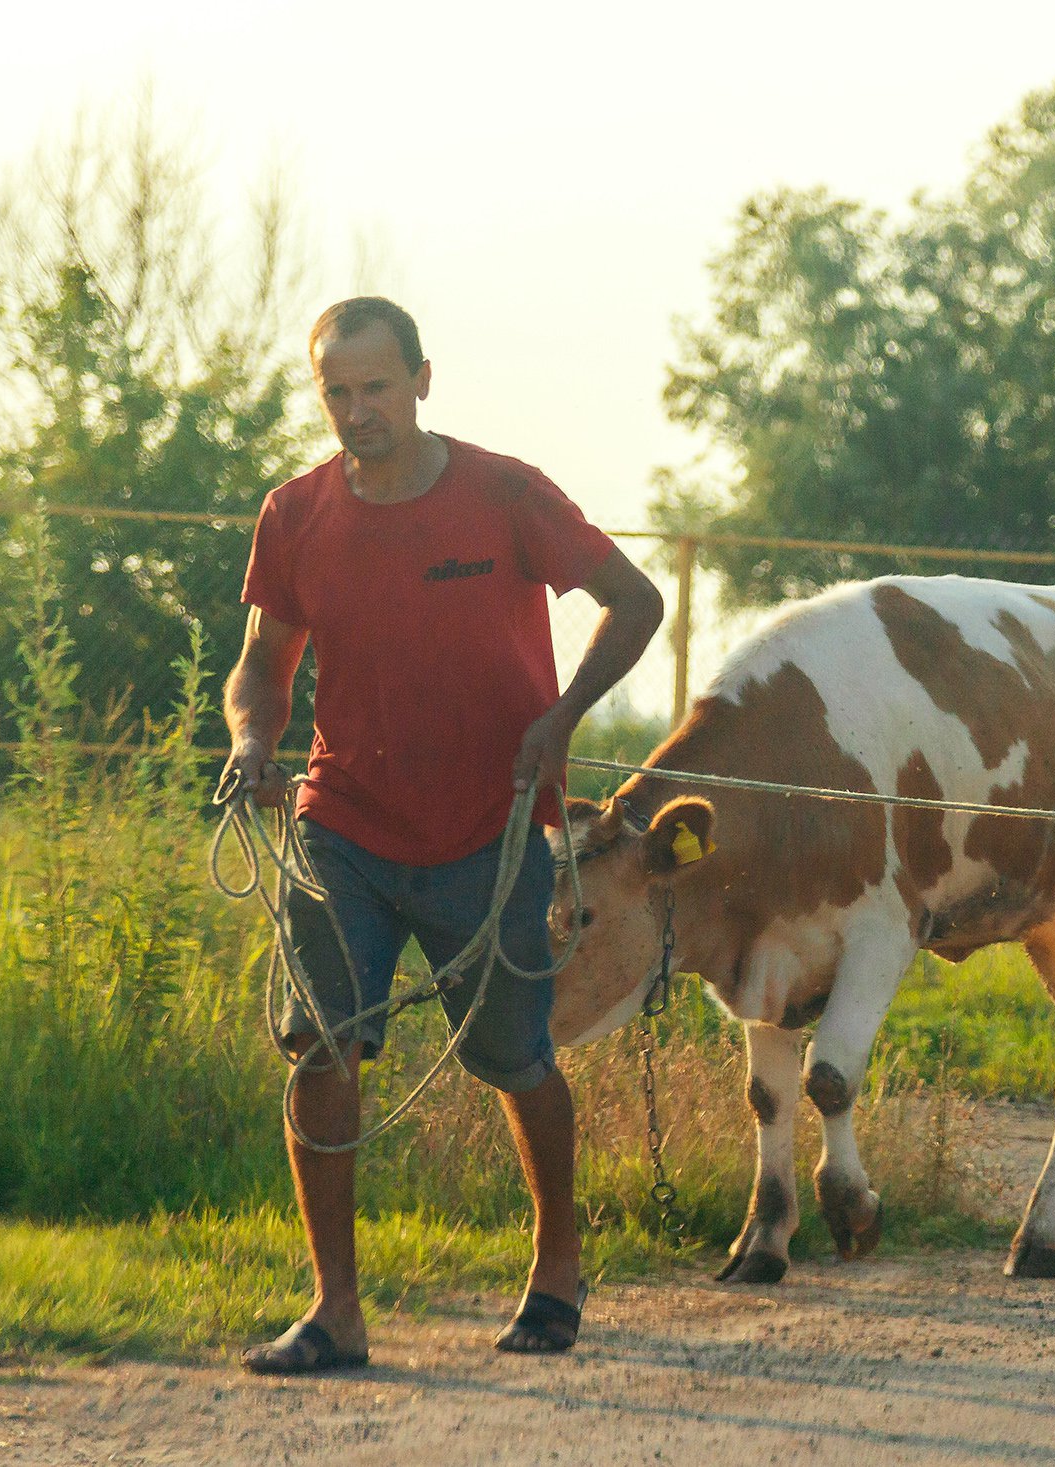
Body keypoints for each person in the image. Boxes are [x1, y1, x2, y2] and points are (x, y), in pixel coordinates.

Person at [221, 297, 663, 1374]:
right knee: (321, 1052)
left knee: (512, 1059)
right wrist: (249, 739)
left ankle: (556, 1270)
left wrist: (561, 722)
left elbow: (635, 601)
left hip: (490, 831)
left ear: (424, 380)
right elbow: (261, 668)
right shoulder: (294, 515)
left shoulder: (504, 493)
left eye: (377, 387)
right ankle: (335, 1313)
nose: (358, 410)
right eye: (337, 391)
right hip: (342, 828)